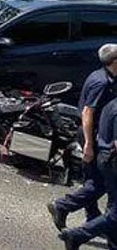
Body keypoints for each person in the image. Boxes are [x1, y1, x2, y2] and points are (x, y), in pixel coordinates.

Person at [54, 44, 117, 249]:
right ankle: (69, 213)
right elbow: (87, 113)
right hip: (97, 137)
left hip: (103, 137)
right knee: (99, 184)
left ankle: (95, 222)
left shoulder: (106, 77)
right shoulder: (101, 82)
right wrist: (89, 144)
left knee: (97, 181)